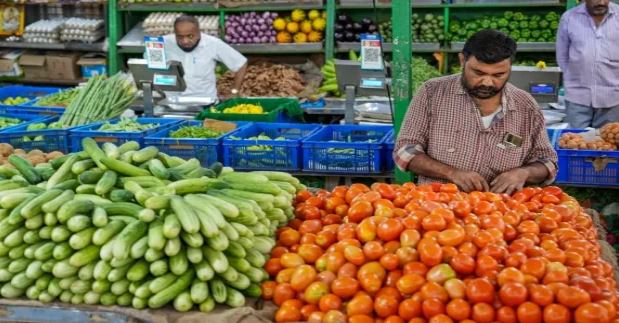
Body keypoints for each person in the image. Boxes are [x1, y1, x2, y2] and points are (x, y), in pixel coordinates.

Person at [393, 30, 558, 194]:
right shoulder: (432, 93)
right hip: (437, 210)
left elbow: (548, 163)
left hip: (502, 213)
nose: (487, 82)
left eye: (499, 75)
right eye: (478, 73)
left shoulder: (526, 106)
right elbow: (405, 152)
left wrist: (524, 173)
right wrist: (451, 173)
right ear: (462, 60)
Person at [556, 0, 619, 128]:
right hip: (577, 96)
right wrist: (572, 78)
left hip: (613, 97)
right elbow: (562, 55)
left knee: (608, 144)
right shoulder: (569, 18)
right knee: (575, 142)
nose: (601, 2)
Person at [164, 15, 248, 102]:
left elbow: (241, 64)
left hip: (205, 102)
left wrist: (234, 91)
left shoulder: (213, 44)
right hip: (172, 103)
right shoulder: (164, 42)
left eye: (190, 36)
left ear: (198, 32)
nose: (185, 41)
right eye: (180, 37)